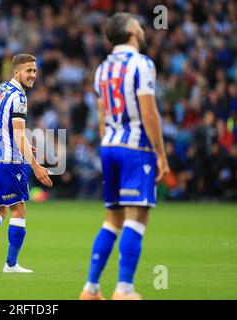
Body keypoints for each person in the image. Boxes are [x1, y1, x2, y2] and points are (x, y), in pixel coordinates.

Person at [79, 13, 170, 300]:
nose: (143, 30)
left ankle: (91, 288)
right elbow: (149, 112)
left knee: (112, 220)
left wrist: (109, 142)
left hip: (109, 146)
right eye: (140, 26)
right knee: (136, 219)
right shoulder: (142, 64)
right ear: (131, 30)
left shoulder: (102, 69)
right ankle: (124, 289)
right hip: (135, 147)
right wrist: (161, 154)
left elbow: (103, 118)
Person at [0, 54, 53, 273]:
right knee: (18, 210)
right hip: (8, 160)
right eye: (28, 71)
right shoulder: (20, 97)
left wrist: (23, 144)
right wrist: (35, 165)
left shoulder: (0, 89)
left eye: (35, 71)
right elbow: (17, 134)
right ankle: (11, 264)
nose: (33, 75)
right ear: (17, 71)